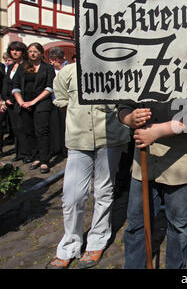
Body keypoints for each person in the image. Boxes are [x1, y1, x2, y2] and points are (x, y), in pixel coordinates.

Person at [46, 62, 130, 269]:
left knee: (104, 190)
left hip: (109, 138)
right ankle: (69, 244)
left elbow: (127, 101)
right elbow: (61, 99)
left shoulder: (118, 67)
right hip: (78, 139)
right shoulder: (68, 71)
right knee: (72, 195)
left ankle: (98, 240)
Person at [119, 101, 187, 269]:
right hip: (143, 165)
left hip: (180, 165)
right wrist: (129, 118)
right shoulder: (138, 74)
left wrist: (159, 131)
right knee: (136, 225)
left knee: (179, 227)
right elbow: (123, 105)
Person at [12, 43, 55, 174]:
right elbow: (16, 85)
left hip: (41, 103)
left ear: (41, 53)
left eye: (35, 51)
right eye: (30, 51)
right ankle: (35, 157)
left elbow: (49, 87)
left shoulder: (47, 68)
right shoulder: (22, 67)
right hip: (24, 103)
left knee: (41, 131)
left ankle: (44, 160)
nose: (32, 54)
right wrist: (21, 101)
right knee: (29, 131)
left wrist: (33, 102)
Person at [1, 41, 29, 162]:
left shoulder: (26, 65)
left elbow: (23, 85)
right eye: (12, 50)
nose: (14, 52)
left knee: (23, 128)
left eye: (17, 50)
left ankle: (27, 154)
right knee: (15, 129)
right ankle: (19, 153)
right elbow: (6, 84)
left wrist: (12, 98)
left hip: (20, 101)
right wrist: (5, 98)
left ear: (23, 52)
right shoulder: (11, 67)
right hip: (9, 102)